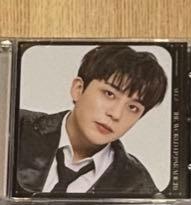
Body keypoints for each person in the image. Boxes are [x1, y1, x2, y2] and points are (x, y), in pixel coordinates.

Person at [17, 43, 167, 196]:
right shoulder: (15, 127)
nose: (116, 114)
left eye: (133, 107)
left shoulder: (140, 188)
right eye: (109, 94)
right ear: (78, 89)